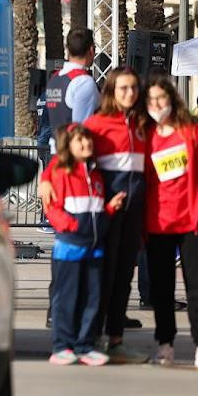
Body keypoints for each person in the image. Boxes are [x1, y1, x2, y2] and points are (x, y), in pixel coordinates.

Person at [44, 66, 148, 358]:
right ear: (111, 91)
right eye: (123, 88)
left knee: (125, 276)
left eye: (133, 88)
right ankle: (88, 340)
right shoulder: (97, 124)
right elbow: (67, 153)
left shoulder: (142, 124)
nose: (129, 93)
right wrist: (44, 181)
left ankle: (115, 340)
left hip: (133, 213)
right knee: (104, 277)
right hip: (104, 216)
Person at [142, 75, 198, 368]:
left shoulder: (192, 134)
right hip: (158, 223)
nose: (156, 105)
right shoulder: (146, 136)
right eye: (150, 101)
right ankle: (165, 344)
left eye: (161, 99)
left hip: (192, 221)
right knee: (161, 289)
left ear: (172, 100)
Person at [44, 123, 125, 366]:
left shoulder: (96, 175)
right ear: (68, 145)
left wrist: (110, 209)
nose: (86, 144)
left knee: (92, 297)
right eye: (80, 141)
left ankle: (84, 345)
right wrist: (71, 226)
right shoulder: (60, 172)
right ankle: (62, 345)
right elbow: (52, 208)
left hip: (94, 247)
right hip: (70, 247)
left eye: (88, 140)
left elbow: (97, 210)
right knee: (66, 298)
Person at [44, 29, 101, 146]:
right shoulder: (83, 81)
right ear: (91, 50)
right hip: (74, 155)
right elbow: (81, 128)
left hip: (57, 151)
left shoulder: (54, 78)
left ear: (68, 50)